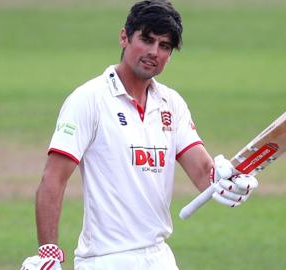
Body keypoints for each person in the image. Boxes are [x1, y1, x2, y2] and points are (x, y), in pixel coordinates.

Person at [21, 1, 258, 269]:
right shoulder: (89, 99)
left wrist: (228, 181)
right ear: (124, 37)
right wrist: (49, 252)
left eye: (164, 46)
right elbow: (53, 178)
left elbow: (204, 173)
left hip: (159, 257)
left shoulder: (171, 103)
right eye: (146, 40)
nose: (154, 52)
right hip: (106, 259)